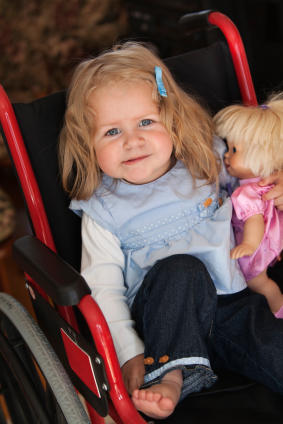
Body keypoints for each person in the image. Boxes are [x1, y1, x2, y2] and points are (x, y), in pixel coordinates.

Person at [58, 42, 283, 420]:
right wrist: (130, 352)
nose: (132, 140)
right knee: (181, 268)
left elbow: (257, 181)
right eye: (112, 131)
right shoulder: (103, 208)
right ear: (87, 144)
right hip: (162, 318)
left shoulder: (205, 159)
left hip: (231, 302)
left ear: (173, 119)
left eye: (146, 122)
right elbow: (103, 286)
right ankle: (170, 376)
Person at [214, 95, 283, 318]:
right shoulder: (264, 185)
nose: (226, 154)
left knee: (259, 283)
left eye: (234, 150)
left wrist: (249, 245)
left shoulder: (246, 191)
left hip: (253, 246)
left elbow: (254, 219)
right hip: (266, 243)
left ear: (260, 159)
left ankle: (279, 312)